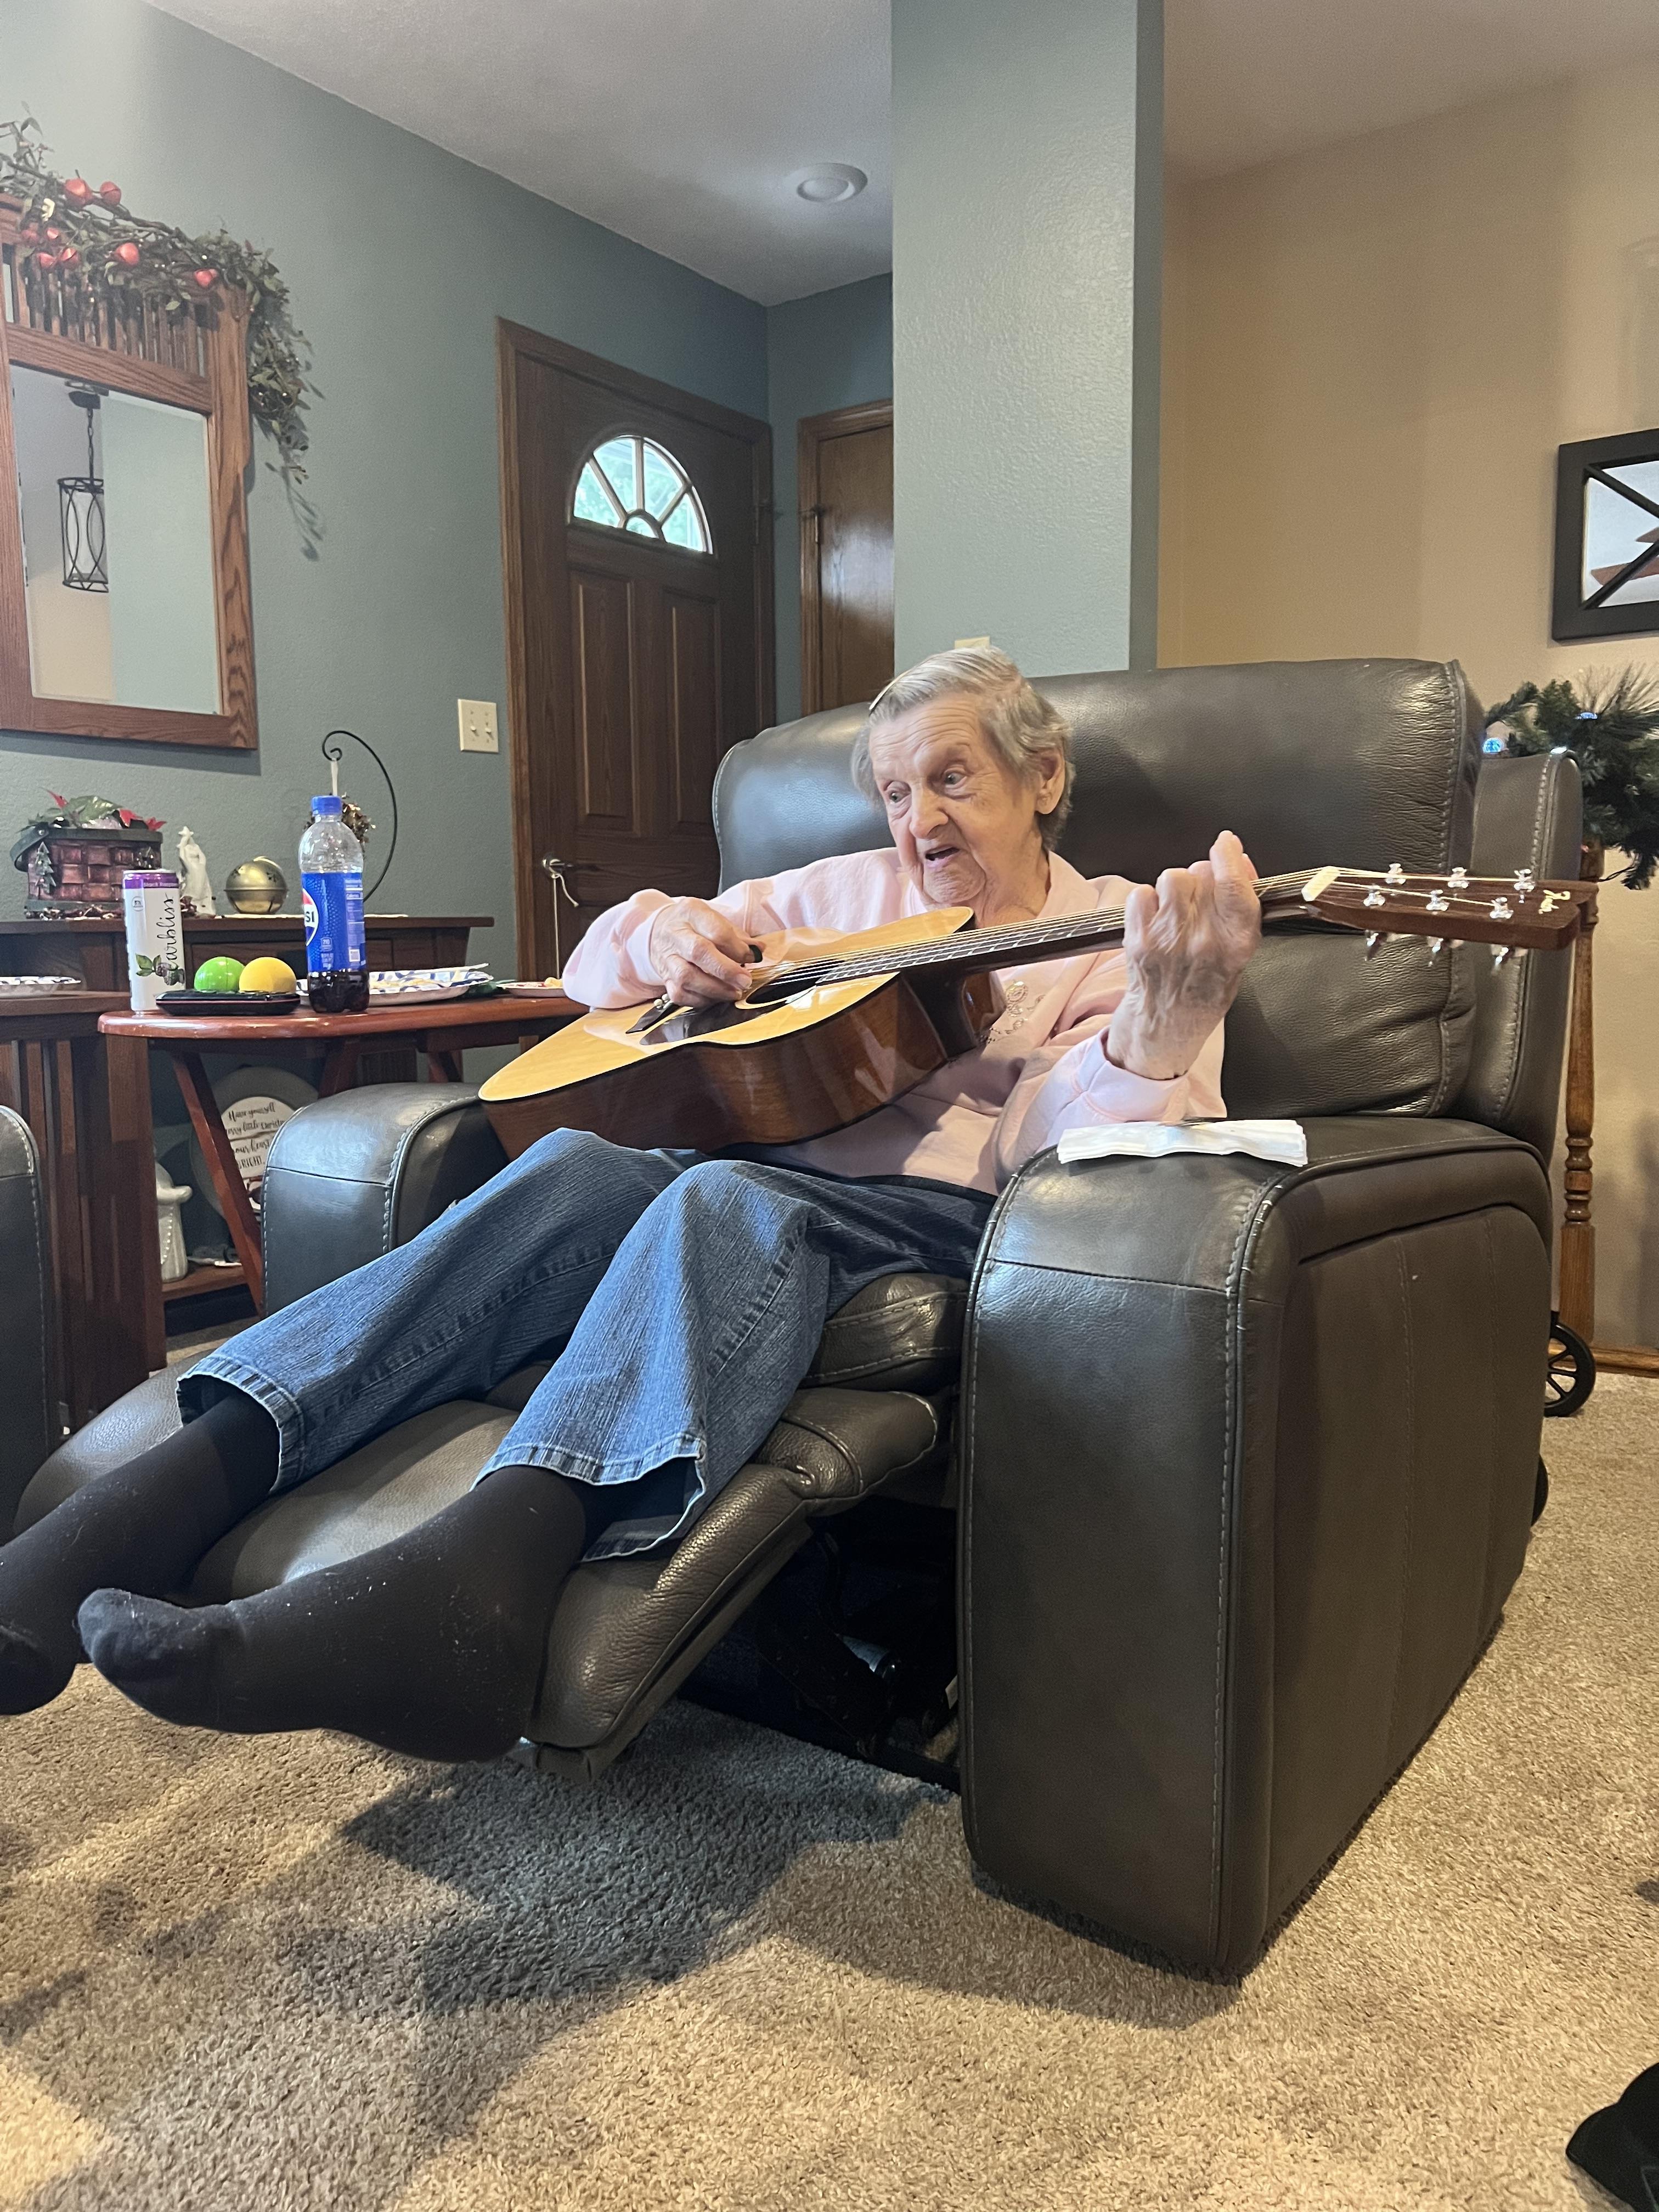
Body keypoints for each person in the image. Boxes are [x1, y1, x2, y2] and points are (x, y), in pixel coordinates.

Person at [0, 648, 1262, 1762]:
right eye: (892, 790)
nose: (916, 819)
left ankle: (475, 1599)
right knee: (567, 1170)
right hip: (743, 1178)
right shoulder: (839, 898)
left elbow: (1075, 1171)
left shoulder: (1129, 935)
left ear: (1043, 778)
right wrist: (667, 941)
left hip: (934, 1227)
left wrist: (1154, 1031)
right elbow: (601, 959)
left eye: (950, 779)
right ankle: (141, 1506)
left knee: (724, 1198)